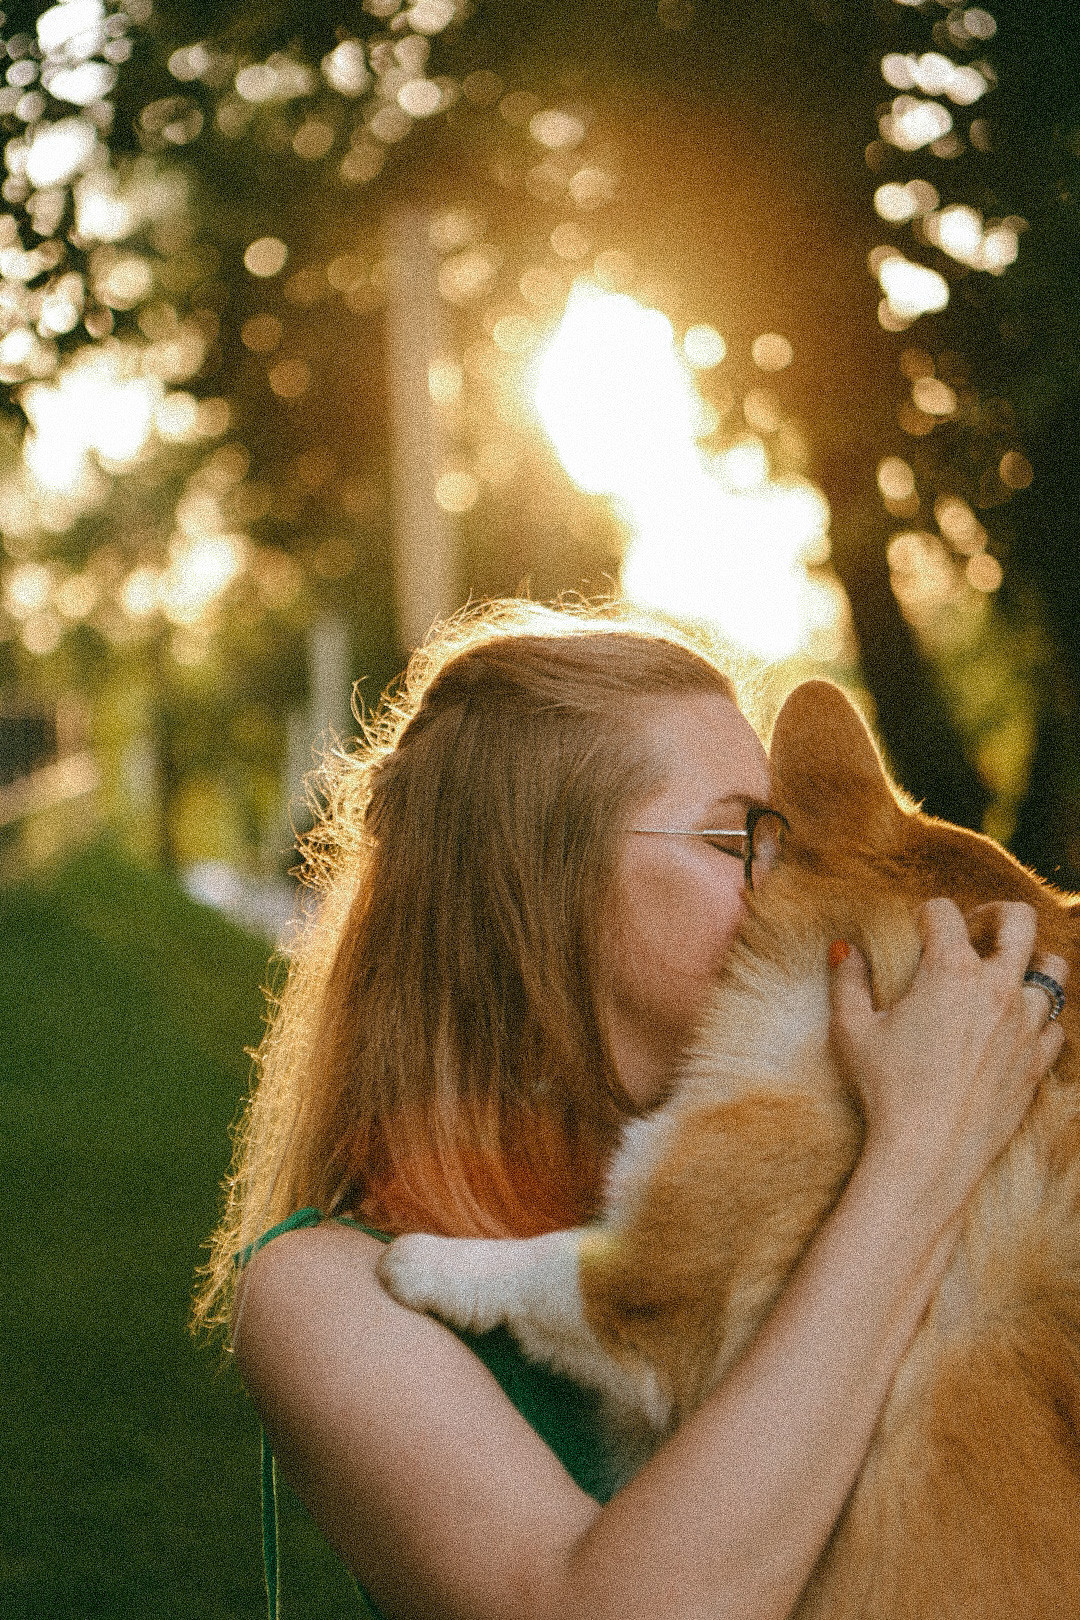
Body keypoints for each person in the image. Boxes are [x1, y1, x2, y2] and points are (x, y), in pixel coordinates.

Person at [194, 599, 1067, 1620]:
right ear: (539, 880)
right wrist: (920, 1160)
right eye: (747, 834)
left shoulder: (844, 1166)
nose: (802, 875)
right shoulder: (323, 1291)